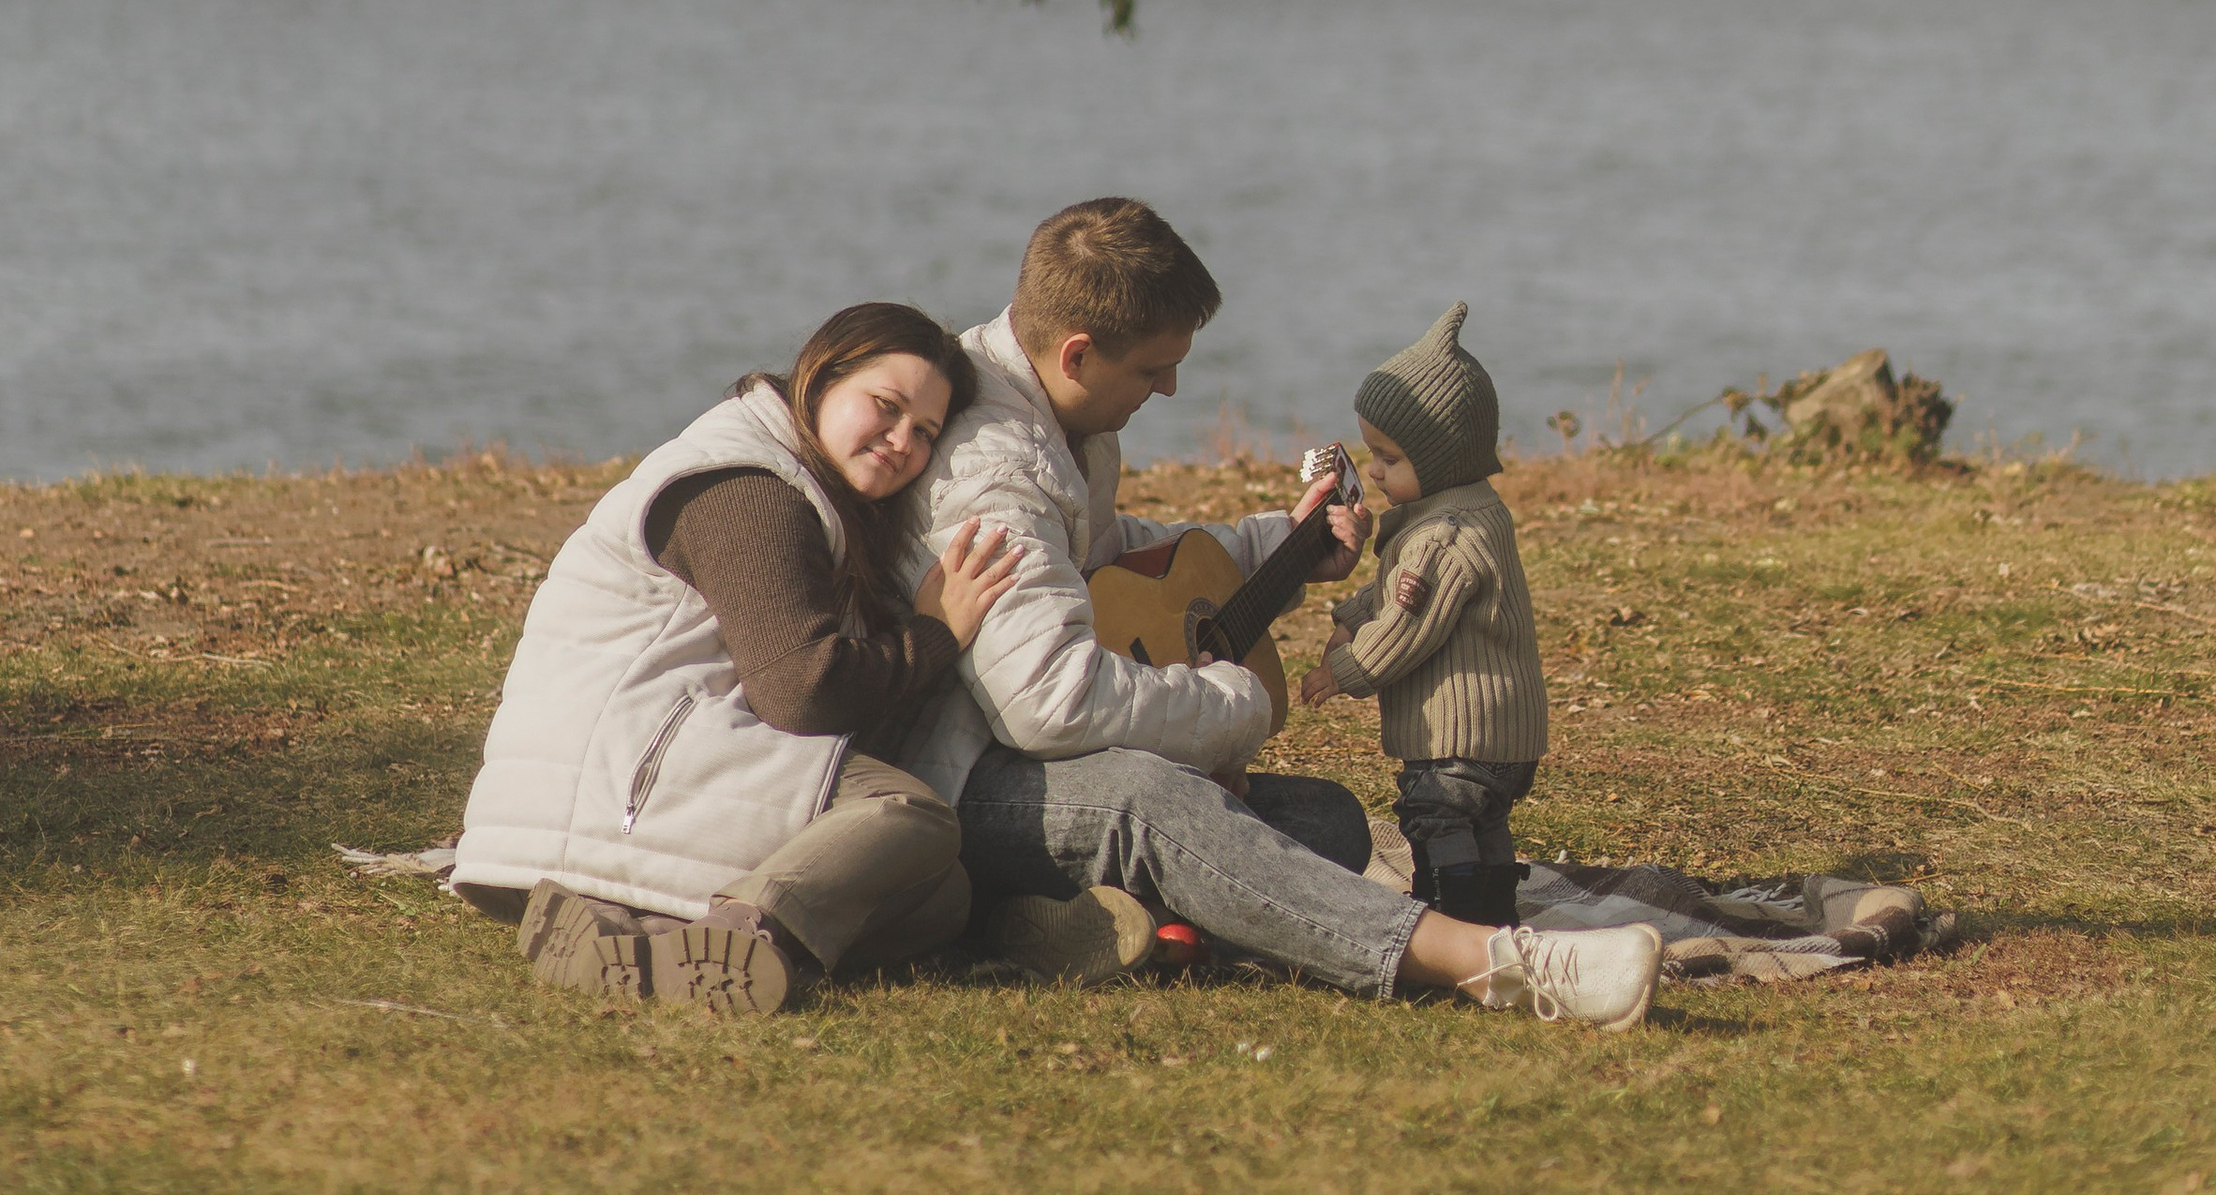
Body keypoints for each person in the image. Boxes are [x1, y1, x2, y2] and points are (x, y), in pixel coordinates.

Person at [909, 198, 1661, 1027]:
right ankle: (1494, 962)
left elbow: (1097, 557)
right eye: (1154, 369)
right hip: (959, 783)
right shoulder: (995, 473)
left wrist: (1277, 549)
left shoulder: (1064, 411)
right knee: (1153, 800)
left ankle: (1034, 924)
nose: (1171, 386)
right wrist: (1235, 706)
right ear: (1079, 354)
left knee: (1330, 824)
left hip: (1024, 756)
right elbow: (1050, 702)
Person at [451, 301, 1018, 1011]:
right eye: (886, 405)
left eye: (925, 431)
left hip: (641, 780)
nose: (902, 439)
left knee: (940, 896)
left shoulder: (799, 485)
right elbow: (803, 692)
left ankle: (623, 934)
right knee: (908, 814)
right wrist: (936, 634)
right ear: (819, 376)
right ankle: (749, 931)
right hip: (615, 782)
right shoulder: (744, 486)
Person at [1297, 300, 1546, 927]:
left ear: (1441, 459)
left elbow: (1410, 626)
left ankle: (1450, 916)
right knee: (1481, 820)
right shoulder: (1463, 512)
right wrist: (1353, 610)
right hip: (1501, 734)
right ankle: (1494, 914)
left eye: (1389, 459)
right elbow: (1396, 588)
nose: (1374, 470)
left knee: (1436, 813)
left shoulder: (1444, 535)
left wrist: (1346, 670)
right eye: (1371, 454)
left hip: (1460, 733)